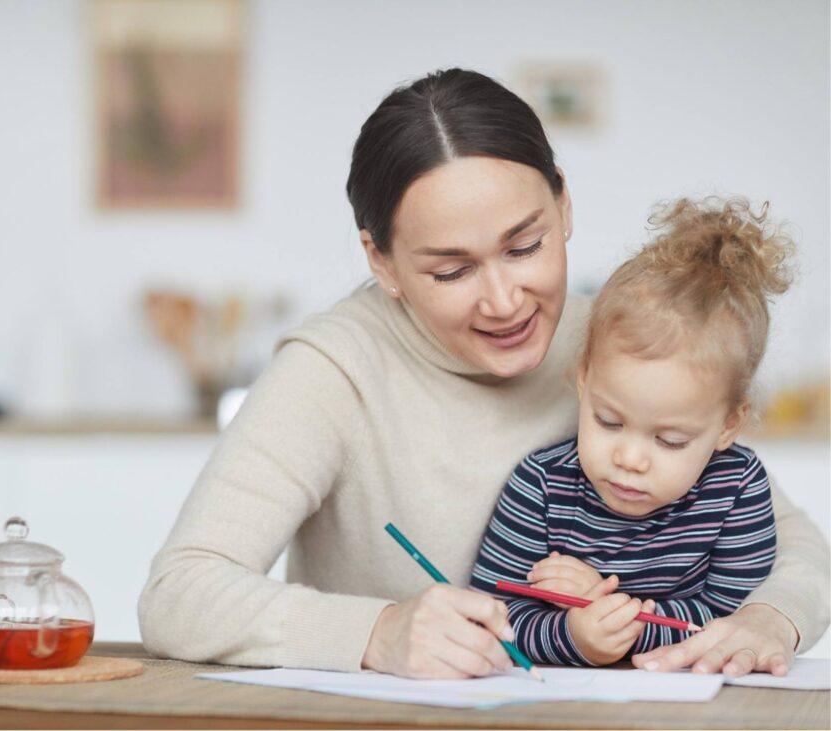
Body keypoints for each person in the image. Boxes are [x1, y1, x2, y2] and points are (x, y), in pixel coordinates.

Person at [138, 68, 829, 679]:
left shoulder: (622, 340)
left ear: (563, 205)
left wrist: (771, 620)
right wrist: (375, 633)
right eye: (453, 270)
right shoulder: (335, 371)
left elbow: (793, 545)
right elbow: (179, 594)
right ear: (382, 262)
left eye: (525, 246)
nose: (504, 302)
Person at [470, 197, 785, 666]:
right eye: (608, 421)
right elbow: (493, 615)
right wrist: (573, 633)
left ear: (729, 424)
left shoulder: (736, 488)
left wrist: (616, 612)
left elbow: (736, 617)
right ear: (584, 379)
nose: (630, 458)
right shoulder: (541, 486)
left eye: (670, 441)